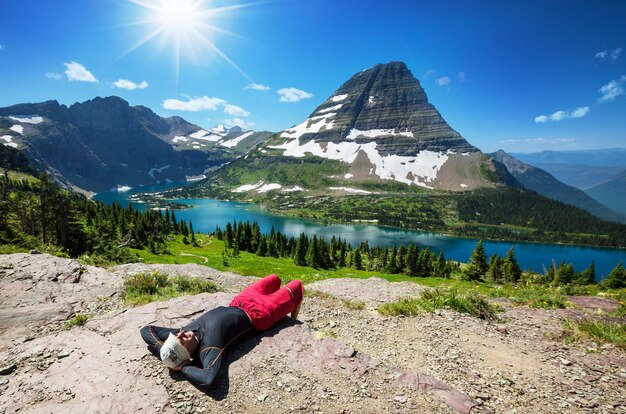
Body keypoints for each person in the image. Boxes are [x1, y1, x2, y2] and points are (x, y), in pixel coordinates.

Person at [140, 274, 304, 389]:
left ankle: (289, 306)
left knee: (274, 279)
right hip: (260, 314)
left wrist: (164, 350)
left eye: (176, 336)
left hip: (240, 301)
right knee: (297, 285)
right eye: (180, 341)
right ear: (187, 353)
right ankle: (294, 316)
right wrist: (182, 367)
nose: (181, 334)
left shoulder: (182, 333)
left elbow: (146, 330)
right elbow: (209, 378)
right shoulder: (209, 348)